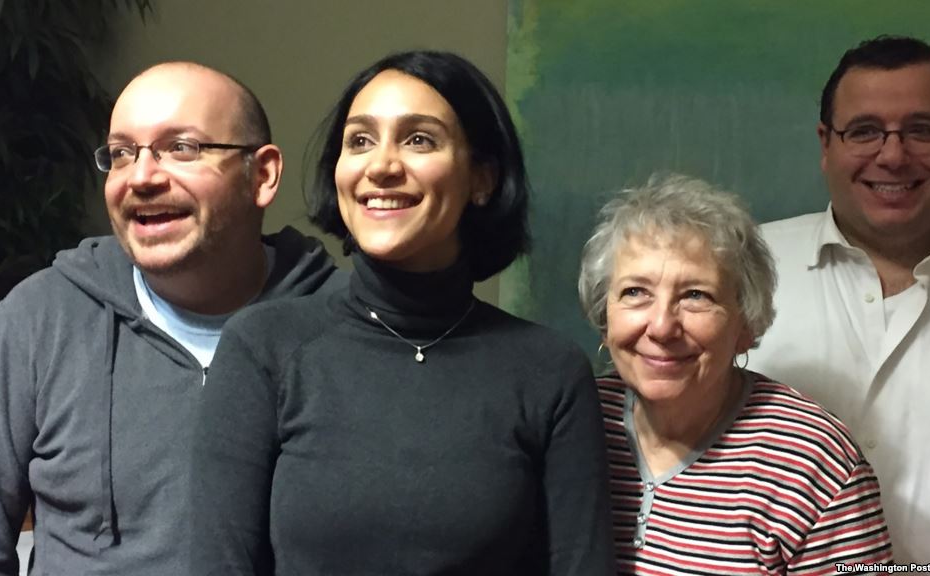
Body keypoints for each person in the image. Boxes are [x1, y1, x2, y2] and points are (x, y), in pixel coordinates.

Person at [190, 50, 616, 575]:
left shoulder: (549, 372)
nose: (382, 166)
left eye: (419, 139)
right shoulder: (265, 348)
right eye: (360, 141)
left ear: (482, 178)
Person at [0, 62, 344, 576]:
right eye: (121, 153)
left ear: (263, 175)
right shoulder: (41, 316)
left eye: (182, 148)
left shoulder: (340, 323)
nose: (141, 176)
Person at [747, 35, 930, 565]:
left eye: (922, 130)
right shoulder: (737, 270)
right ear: (826, 143)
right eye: (864, 131)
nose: (892, 156)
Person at [578, 173, 893, 574]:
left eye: (696, 295)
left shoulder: (813, 461)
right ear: (605, 316)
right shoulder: (575, 419)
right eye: (635, 292)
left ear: (746, 325)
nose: (660, 326)